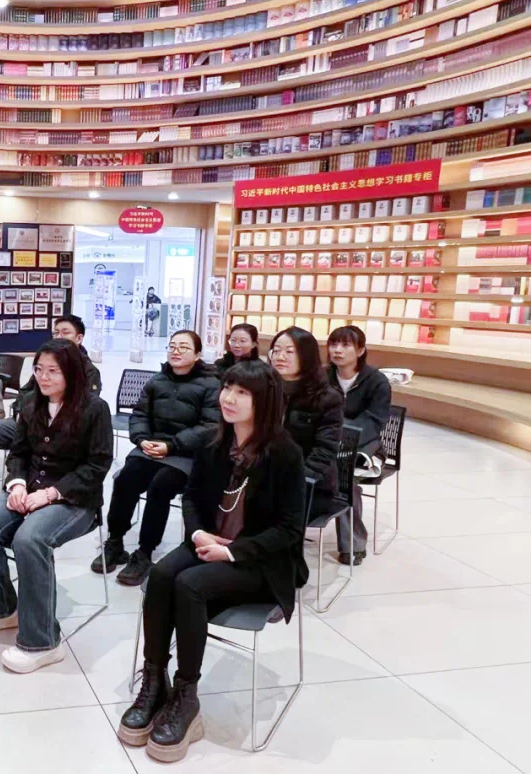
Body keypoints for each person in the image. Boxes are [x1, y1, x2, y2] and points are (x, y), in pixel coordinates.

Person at [118, 360, 307, 763]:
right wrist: (198, 534)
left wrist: (232, 552)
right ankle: (155, 680)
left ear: (264, 401)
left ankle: (187, 695)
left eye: (242, 392)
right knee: (162, 574)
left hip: (258, 559)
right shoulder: (214, 442)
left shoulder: (284, 454)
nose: (228, 398)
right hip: (209, 541)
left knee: (190, 585)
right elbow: (190, 497)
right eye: (227, 388)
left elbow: (290, 529)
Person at [0, 339, 113, 674]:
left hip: (75, 501)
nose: (43, 377)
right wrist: (17, 484)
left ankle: (43, 641)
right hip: (28, 490)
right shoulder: (31, 403)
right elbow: (18, 453)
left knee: (30, 539)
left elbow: (97, 466)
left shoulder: (94, 408)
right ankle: (1, 608)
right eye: (38, 369)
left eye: (52, 371)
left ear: (71, 373)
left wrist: (50, 494)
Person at [94, 330, 221, 586]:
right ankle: (115, 541)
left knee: (160, 486)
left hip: (185, 454)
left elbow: (210, 427)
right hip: (150, 448)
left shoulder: (211, 385)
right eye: (172, 346)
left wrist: (171, 446)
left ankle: (145, 552)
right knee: (125, 479)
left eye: (183, 347)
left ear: (197, 354)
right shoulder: (157, 380)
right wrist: (141, 439)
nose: (176, 351)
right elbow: (139, 414)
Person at [0, 315, 101, 522]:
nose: (59, 336)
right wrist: (20, 412)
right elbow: (25, 392)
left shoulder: (89, 372)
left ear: (79, 338)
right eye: (55, 332)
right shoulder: (45, 363)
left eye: (65, 332)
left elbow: (85, 410)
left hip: (60, 432)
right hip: (28, 423)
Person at [327, 325, 392, 566]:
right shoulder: (322, 378)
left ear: (361, 350)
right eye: (333, 344)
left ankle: (353, 545)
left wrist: (343, 433)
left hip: (365, 446)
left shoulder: (376, 381)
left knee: (345, 477)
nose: (337, 350)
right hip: (327, 442)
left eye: (345, 345)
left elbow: (375, 421)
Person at [270, 326, 344, 526]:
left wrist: (292, 481)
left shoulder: (327, 398)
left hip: (310, 484)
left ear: (307, 356)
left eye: (289, 351)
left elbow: (324, 452)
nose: (280, 357)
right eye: (276, 350)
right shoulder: (265, 389)